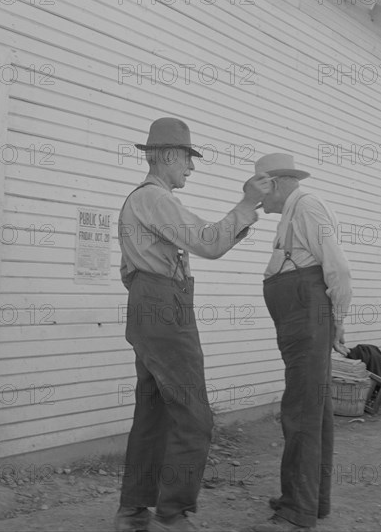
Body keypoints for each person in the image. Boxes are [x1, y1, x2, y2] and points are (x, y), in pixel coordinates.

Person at [115, 117, 272, 532]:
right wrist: (245, 205)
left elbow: (135, 267)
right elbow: (208, 242)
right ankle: (172, 512)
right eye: (187, 158)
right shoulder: (155, 198)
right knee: (194, 415)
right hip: (164, 305)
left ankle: (133, 511)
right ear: (167, 155)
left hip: (153, 303)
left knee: (153, 412)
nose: (191, 167)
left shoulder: (148, 200)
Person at [246, 154, 352, 532]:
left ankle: (296, 512)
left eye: (263, 194)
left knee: (301, 410)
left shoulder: (306, 207)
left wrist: (338, 319)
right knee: (314, 408)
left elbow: (337, 268)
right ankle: (311, 500)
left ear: (274, 183)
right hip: (300, 319)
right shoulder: (294, 213)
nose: (263, 204)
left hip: (307, 316)